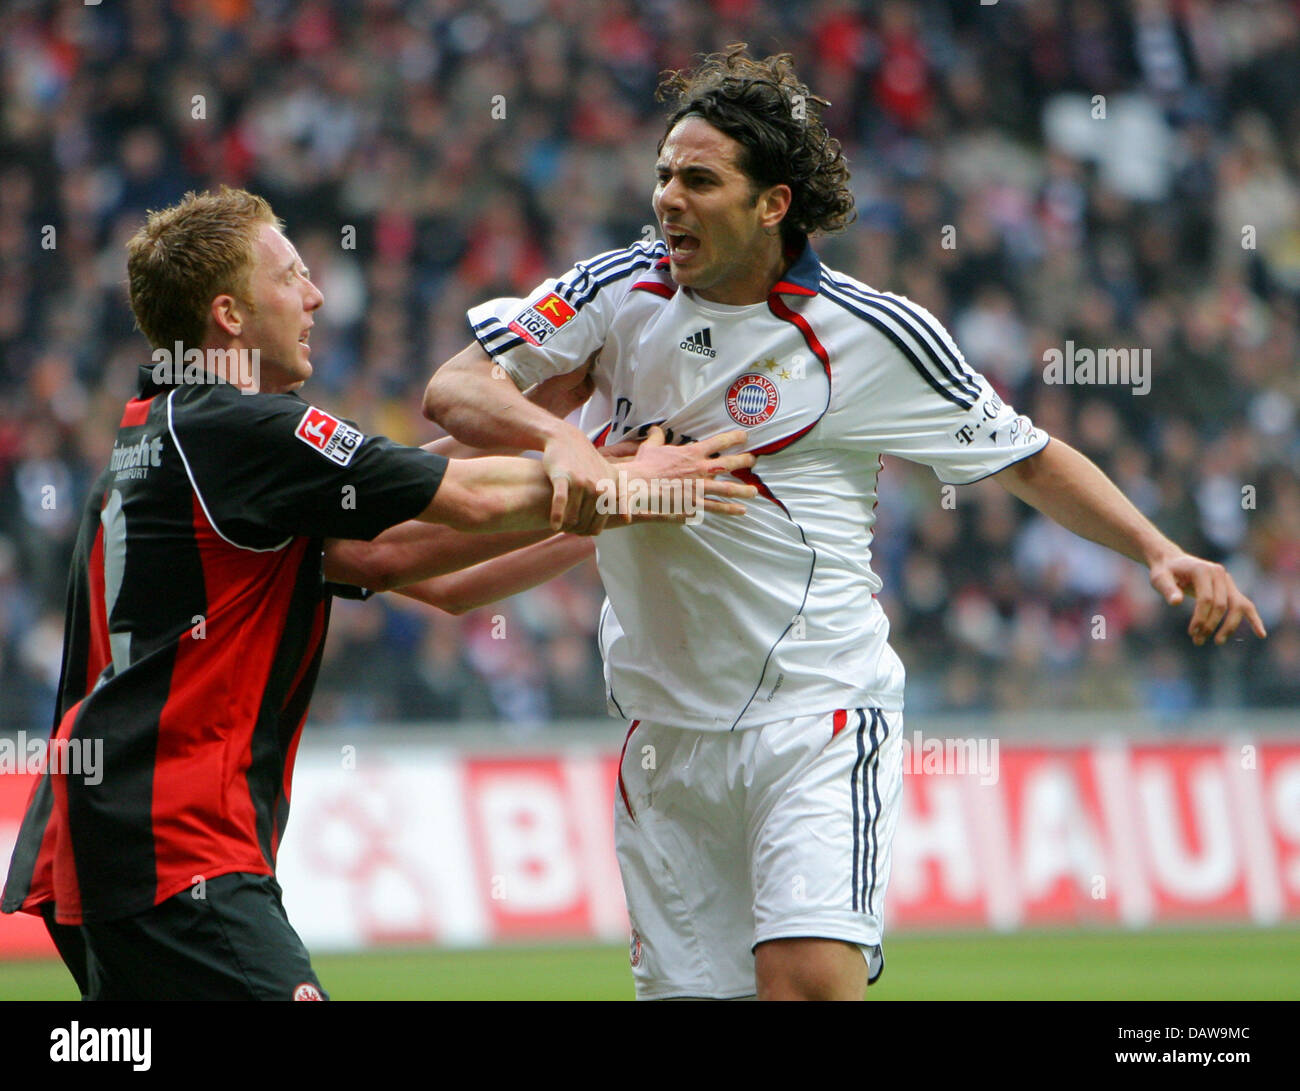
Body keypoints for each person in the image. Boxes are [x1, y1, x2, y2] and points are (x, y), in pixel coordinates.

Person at [423, 46, 1267, 1001]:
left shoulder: (871, 335)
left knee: (807, 984)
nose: (668, 199)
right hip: (663, 732)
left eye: (699, 180)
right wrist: (560, 442)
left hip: (816, 709)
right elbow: (455, 387)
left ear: (773, 203)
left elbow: (1028, 456)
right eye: (662, 174)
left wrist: (1159, 547)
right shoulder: (616, 292)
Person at [0, 187, 757, 1000]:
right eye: (292, 276)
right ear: (229, 313)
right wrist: (631, 475)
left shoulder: (169, 434)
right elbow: (467, 500)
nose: (317, 295)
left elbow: (409, 561)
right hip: (172, 840)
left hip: (98, 839)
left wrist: (601, 506)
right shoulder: (245, 431)